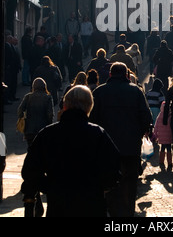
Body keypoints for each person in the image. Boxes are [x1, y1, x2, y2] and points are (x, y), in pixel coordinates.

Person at [21, 85, 120, 217]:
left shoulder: (48, 134)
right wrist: (97, 187)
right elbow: (114, 170)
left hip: (59, 206)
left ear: (65, 105)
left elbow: (29, 171)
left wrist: (50, 187)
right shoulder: (97, 134)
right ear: (89, 107)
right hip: (91, 205)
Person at [90, 62, 152, 217]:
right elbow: (146, 117)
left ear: (110, 75)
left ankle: (111, 212)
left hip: (106, 149)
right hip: (130, 148)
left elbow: (92, 120)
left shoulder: (100, 92)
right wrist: (140, 132)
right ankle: (127, 214)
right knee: (129, 186)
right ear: (126, 75)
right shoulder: (136, 91)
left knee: (108, 185)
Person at [17, 78, 54, 149]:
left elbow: (20, 110)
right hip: (43, 129)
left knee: (30, 148)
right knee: (41, 149)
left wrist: (22, 119)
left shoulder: (28, 96)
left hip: (29, 129)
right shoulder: (48, 97)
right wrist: (50, 125)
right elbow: (50, 114)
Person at [154, 101, 173, 170]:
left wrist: (155, 134)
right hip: (169, 135)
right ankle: (170, 162)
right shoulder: (170, 115)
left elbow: (156, 125)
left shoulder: (160, 115)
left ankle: (161, 161)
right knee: (169, 149)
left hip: (161, 136)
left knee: (162, 148)